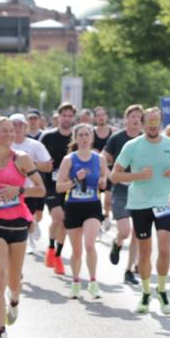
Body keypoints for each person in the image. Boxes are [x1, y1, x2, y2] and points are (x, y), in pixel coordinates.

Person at [0, 117, 46, 338]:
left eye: (11, 130)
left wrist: (20, 189)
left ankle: (14, 300)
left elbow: (41, 188)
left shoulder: (22, 159)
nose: (9, 134)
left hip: (17, 223)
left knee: (14, 281)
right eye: (3, 131)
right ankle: (2, 334)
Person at [111, 107, 170, 315]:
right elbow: (115, 175)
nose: (152, 127)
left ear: (160, 123)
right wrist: (138, 176)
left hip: (164, 202)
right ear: (143, 124)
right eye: (149, 123)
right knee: (144, 251)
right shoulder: (132, 146)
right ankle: (145, 292)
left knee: (164, 248)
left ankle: (161, 290)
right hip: (140, 203)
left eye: (156, 123)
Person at [56, 124, 108, 299]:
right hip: (73, 206)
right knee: (77, 250)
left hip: (92, 205)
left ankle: (93, 283)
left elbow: (104, 179)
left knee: (90, 244)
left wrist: (102, 181)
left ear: (92, 138)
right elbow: (58, 187)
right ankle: (76, 282)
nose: (84, 138)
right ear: (76, 138)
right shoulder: (69, 160)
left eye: (87, 135)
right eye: (81, 135)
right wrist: (74, 180)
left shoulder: (99, 158)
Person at [103, 104, 144, 285]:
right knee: (125, 231)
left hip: (141, 189)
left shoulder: (146, 140)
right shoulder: (117, 138)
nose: (135, 119)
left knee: (137, 232)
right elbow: (105, 158)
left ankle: (129, 270)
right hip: (120, 188)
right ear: (126, 119)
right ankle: (117, 243)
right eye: (132, 116)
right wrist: (107, 175)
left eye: (138, 116)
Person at [39, 103, 77, 275]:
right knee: (58, 218)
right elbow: (38, 158)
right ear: (58, 116)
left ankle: (58, 256)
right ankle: (51, 247)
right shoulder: (47, 137)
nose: (67, 118)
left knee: (64, 223)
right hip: (51, 185)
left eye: (70, 115)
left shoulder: (77, 138)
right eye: (64, 115)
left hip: (71, 184)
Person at [9, 114, 53, 254]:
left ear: (25, 127)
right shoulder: (5, 145)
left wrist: (30, 164)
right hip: (11, 189)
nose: (17, 128)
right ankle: (28, 241)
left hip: (31, 188)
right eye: (14, 125)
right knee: (18, 219)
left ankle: (31, 230)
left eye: (20, 125)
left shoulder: (34, 145)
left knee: (32, 217)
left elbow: (48, 166)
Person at [92, 107, 114, 230]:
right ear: (95, 118)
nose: (101, 117)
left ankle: (106, 216)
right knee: (97, 197)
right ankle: (98, 219)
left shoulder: (113, 132)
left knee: (108, 198)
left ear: (107, 116)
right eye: (98, 115)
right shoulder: (91, 132)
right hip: (95, 169)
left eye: (103, 115)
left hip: (109, 169)